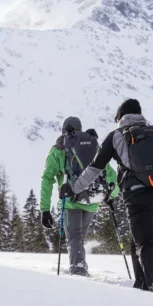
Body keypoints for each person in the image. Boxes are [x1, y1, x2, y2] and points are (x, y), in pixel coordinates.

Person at [60, 99, 153, 293]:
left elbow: (94, 168)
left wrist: (74, 189)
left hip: (137, 197)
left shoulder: (116, 135)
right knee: (138, 242)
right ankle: (141, 287)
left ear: (120, 117)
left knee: (144, 245)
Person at [40, 116, 119, 276]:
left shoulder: (59, 149)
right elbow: (110, 174)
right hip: (92, 200)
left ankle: (78, 269)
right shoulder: (92, 147)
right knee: (78, 237)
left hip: (70, 202)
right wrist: (111, 195)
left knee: (74, 237)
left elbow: (47, 178)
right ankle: (80, 265)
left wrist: (45, 209)